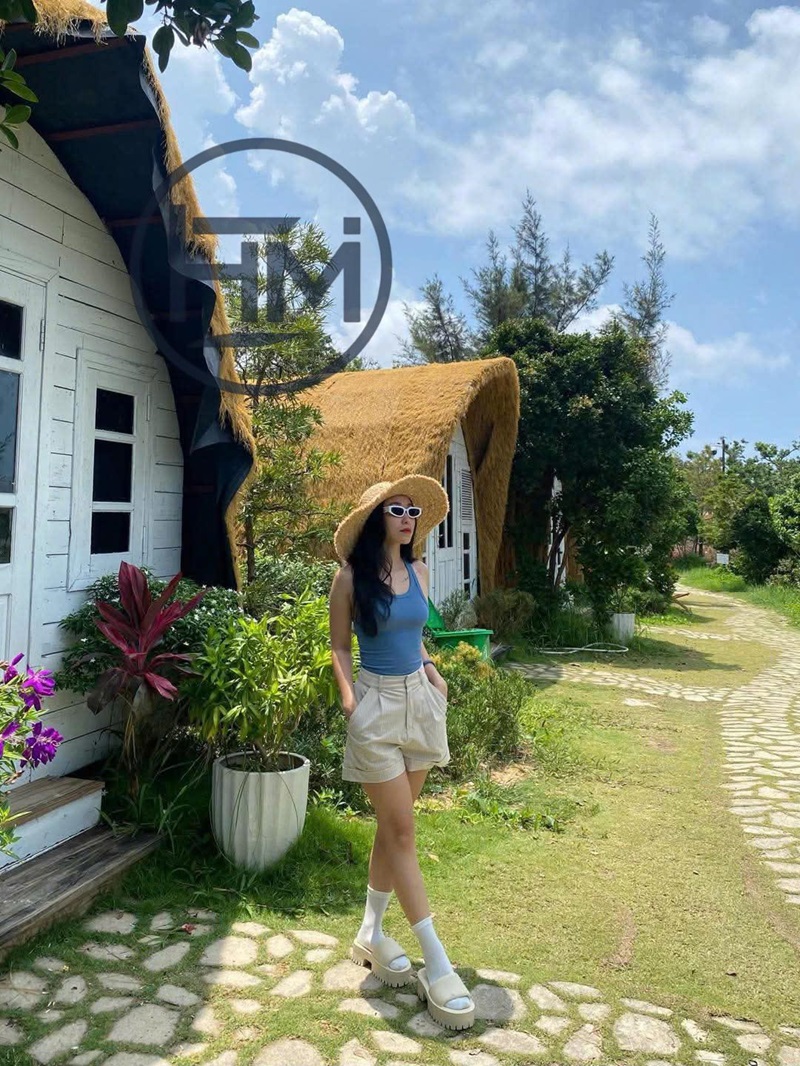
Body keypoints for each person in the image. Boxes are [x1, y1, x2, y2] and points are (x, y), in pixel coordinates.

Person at [328, 476, 475, 1032]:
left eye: (413, 511)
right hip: (377, 706)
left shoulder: (420, 572)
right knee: (404, 832)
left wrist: (433, 672)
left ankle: (369, 933)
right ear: (377, 519)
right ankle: (437, 964)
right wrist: (351, 702)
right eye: (397, 509)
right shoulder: (350, 578)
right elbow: (340, 645)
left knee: (394, 829)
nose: (409, 518)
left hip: (420, 701)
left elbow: (414, 636)